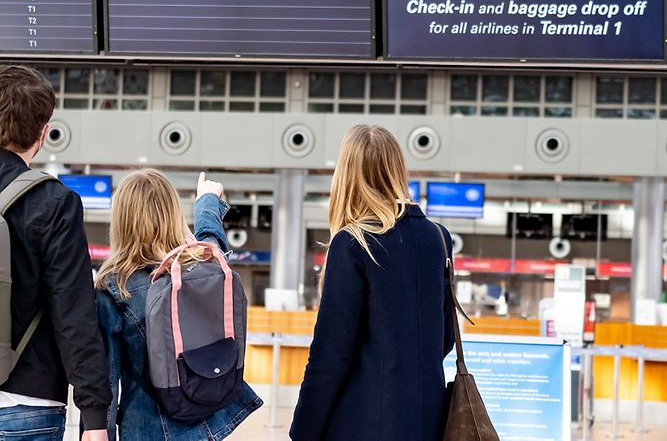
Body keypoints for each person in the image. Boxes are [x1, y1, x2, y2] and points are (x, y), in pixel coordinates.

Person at [290, 125, 456, 441]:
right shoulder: (438, 238)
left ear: (347, 174)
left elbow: (331, 353)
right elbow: (445, 337)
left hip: (365, 422)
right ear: (397, 169)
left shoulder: (354, 243)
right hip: (431, 421)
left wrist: (303, 430)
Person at [95, 169, 262, 440]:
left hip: (146, 428)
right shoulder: (199, 268)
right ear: (172, 213)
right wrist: (207, 202)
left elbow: (106, 381)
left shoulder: (115, 288)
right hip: (207, 422)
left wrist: (97, 431)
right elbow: (212, 244)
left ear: (121, 221)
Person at [0, 65, 111, 440]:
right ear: (43, 133)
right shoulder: (54, 203)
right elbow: (74, 316)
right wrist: (95, 417)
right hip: (29, 401)